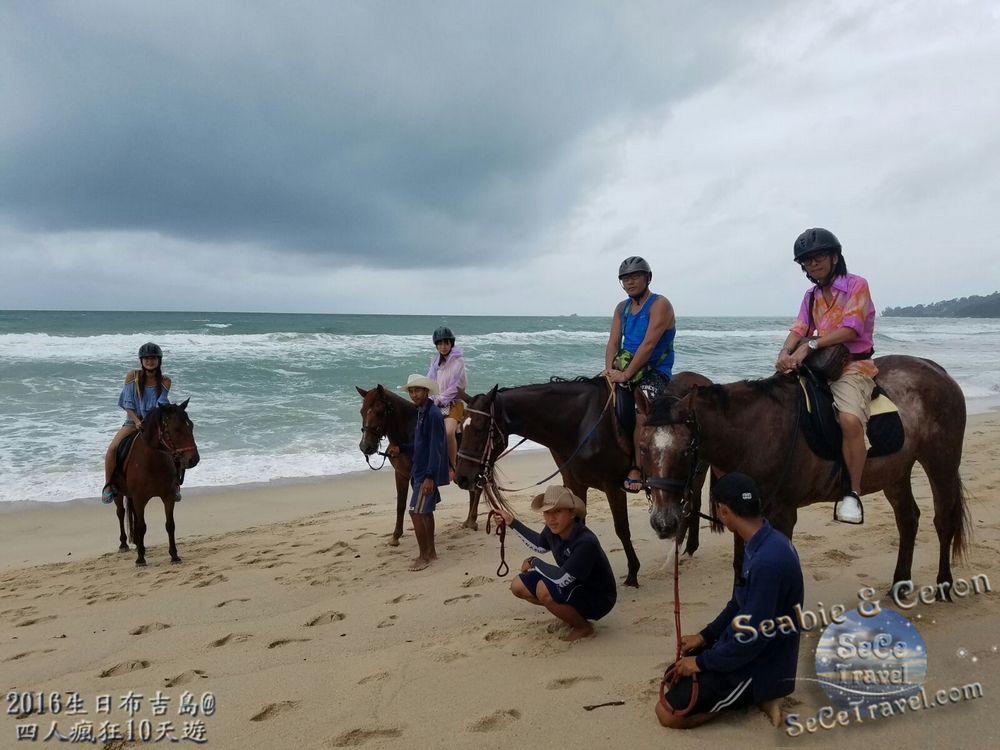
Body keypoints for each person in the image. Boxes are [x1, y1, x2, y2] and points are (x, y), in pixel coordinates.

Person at [655, 473, 804, 730]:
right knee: (674, 674)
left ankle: (759, 695)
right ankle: (747, 694)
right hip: (744, 645)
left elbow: (753, 640)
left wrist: (702, 662)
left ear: (722, 511)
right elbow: (738, 601)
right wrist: (704, 636)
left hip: (761, 663)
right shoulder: (763, 541)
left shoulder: (768, 561)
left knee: (667, 713)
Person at [776, 228, 877, 524]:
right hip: (820, 365)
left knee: (848, 419)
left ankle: (853, 494)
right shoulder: (811, 296)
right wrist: (785, 352)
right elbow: (799, 328)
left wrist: (811, 346)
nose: (813, 264)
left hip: (852, 367)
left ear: (834, 256)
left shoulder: (857, 285)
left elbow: (851, 329)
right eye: (806, 261)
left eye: (818, 256)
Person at [492, 485, 617, 642]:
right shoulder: (552, 531)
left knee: (544, 589)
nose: (551, 518)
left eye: (557, 511)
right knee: (517, 585)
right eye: (547, 512)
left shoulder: (586, 542)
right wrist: (511, 522)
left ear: (572, 513)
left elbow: (561, 578)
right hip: (574, 584)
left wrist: (533, 562)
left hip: (598, 597)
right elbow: (538, 544)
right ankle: (569, 614)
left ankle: (583, 627)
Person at [599, 256, 676, 492]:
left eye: (634, 277)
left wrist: (626, 375)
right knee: (596, 400)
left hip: (654, 371)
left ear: (647, 278)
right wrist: (610, 370)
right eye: (625, 279)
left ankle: (637, 466)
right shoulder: (621, 309)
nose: (629, 282)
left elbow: (649, 344)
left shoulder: (660, 304)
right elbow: (613, 342)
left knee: (642, 411)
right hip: (625, 367)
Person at [387, 374, 450, 571]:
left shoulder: (432, 415)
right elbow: (420, 444)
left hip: (425, 473)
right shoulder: (423, 411)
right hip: (420, 470)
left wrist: (430, 476)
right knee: (425, 512)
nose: (414, 395)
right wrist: (401, 449)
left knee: (415, 512)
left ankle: (424, 556)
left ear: (426, 391)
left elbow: (437, 448)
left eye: (417, 391)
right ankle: (430, 552)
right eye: (411, 391)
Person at [102, 342, 173, 504]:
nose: (150, 361)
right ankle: (108, 485)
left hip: (154, 424)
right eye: (146, 358)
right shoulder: (132, 376)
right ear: (141, 361)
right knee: (113, 449)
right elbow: (127, 402)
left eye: (153, 358)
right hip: (132, 422)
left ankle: (174, 484)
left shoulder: (165, 381)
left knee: (174, 447)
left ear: (159, 360)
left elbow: (161, 403)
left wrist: (151, 422)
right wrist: (137, 421)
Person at [426, 326, 467, 481]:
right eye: (440, 343)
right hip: (436, 402)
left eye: (446, 343)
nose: (443, 346)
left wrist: (440, 399)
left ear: (451, 344)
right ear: (436, 345)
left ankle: (452, 465)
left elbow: (456, 387)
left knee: (449, 432)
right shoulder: (434, 362)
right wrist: (427, 396)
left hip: (454, 403)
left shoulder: (458, 361)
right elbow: (430, 381)